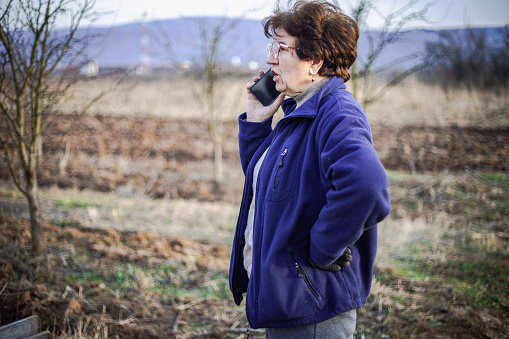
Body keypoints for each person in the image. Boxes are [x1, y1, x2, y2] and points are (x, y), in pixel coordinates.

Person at [228, 0, 391, 337]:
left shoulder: (336, 113)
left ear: (314, 61)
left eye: (281, 48)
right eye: (272, 47)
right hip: (292, 303)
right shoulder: (298, 111)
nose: (271, 58)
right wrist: (258, 123)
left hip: (312, 311)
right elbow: (267, 188)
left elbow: (367, 185)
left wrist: (321, 249)